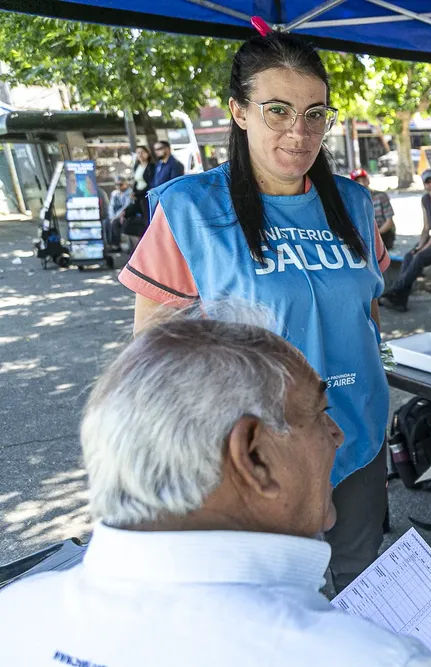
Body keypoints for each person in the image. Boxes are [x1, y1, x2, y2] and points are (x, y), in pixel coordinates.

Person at [0, 311, 431, 667]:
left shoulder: (14, 615)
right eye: (319, 414)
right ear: (253, 457)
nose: (337, 434)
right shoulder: (375, 657)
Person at [118, 25, 393, 591]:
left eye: (316, 113)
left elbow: (369, 316)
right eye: (278, 110)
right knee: (275, 604)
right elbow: (152, 356)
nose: (300, 132)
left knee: (358, 585)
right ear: (239, 111)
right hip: (253, 456)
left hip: (358, 436)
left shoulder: (356, 205)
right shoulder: (191, 210)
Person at [380, 169, 431, 312]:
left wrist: (424, 249)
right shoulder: (425, 200)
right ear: (425, 186)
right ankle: (401, 300)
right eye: (428, 183)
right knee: (409, 255)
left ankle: (394, 291)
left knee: (420, 256)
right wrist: (419, 246)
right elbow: (426, 228)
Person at [351, 168, 396, 251]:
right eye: (358, 181)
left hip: (382, 233)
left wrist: (374, 235)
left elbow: (389, 222)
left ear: (368, 180)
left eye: (364, 179)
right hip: (364, 235)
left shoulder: (381, 196)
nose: (362, 183)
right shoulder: (351, 201)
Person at [107, 175, 133, 252]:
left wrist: (115, 217)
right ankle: (110, 243)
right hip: (115, 216)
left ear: (126, 184)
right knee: (106, 223)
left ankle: (116, 244)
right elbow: (111, 206)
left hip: (125, 215)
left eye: (120, 184)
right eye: (117, 185)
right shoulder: (115, 193)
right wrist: (112, 216)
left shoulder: (129, 192)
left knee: (115, 223)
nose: (118, 186)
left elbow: (126, 206)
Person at [132, 145, 156, 222]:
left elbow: (151, 183)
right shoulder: (137, 166)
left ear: (147, 153)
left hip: (145, 195)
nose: (140, 155)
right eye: (138, 153)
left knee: (147, 217)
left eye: (142, 152)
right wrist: (134, 192)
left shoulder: (151, 166)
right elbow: (136, 180)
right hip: (137, 195)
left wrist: (139, 193)